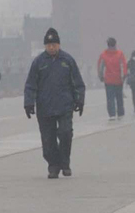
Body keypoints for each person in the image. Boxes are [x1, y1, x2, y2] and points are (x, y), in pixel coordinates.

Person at [24, 28, 85, 179]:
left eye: (54, 44)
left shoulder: (68, 60)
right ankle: (53, 165)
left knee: (65, 134)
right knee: (48, 139)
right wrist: (29, 102)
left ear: (59, 45)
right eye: (49, 45)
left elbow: (78, 83)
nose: (52, 47)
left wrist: (79, 100)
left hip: (65, 105)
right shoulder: (38, 62)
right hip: (45, 107)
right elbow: (31, 84)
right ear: (45, 46)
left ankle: (65, 163)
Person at [97, 37, 128, 120]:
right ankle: (120, 113)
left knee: (110, 98)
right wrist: (124, 76)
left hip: (108, 80)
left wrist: (101, 77)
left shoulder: (103, 55)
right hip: (118, 79)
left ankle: (112, 114)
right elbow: (124, 66)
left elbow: (100, 67)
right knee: (119, 97)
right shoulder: (120, 54)